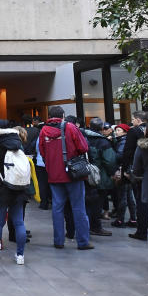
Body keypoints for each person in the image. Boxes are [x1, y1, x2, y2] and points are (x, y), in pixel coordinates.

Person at [38, 105, 93, 250]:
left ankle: (58, 241)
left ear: (49, 116)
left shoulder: (43, 130)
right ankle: (83, 241)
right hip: (73, 173)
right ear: (63, 115)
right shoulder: (70, 127)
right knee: (78, 207)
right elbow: (83, 147)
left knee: (57, 208)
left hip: (54, 174)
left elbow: (42, 151)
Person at [0, 120, 29, 264]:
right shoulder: (17, 144)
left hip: (0, 188)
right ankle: (20, 255)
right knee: (19, 223)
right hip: (18, 188)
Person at [85, 117, 116, 237]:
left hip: (85, 174)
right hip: (100, 176)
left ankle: (86, 225)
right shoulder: (103, 142)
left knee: (87, 202)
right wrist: (113, 172)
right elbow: (110, 161)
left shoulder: (83, 137)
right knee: (97, 204)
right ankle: (95, 227)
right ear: (102, 128)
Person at [123, 111, 148, 241]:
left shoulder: (133, 132)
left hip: (138, 170)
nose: (132, 121)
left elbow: (128, 152)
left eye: (133, 119)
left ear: (139, 120)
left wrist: (125, 170)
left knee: (140, 200)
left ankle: (142, 230)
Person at [111, 123, 137, 228]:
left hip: (124, 171)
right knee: (129, 196)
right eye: (116, 130)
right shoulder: (124, 140)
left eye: (119, 130)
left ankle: (120, 220)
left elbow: (119, 156)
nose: (116, 132)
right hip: (128, 172)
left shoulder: (123, 141)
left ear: (125, 132)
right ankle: (133, 219)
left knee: (122, 196)